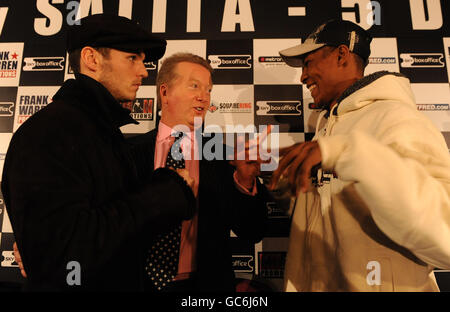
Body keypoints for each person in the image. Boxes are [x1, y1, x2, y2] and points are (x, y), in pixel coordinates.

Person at [1, 14, 197, 291]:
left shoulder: (100, 132)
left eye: (143, 60)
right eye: (132, 58)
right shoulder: (49, 133)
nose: (143, 71)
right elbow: (66, 257)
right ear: (91, 59)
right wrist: (167, 193)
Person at [270, 19, 450, 291]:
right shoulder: (326, 129)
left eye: (308, 63)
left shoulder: (397, 118)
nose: (303, 76)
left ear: (341, 55)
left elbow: (444, 234)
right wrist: (285, 186)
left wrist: (347, 153)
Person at [127, 52, 269, 292]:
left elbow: (252, 231)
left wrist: (245, 182)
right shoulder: (126, 153)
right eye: (194, 86)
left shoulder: (225, 157)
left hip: (206, 287)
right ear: (165, 92)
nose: (204, 97)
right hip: (137, 283)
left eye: (209, 90)